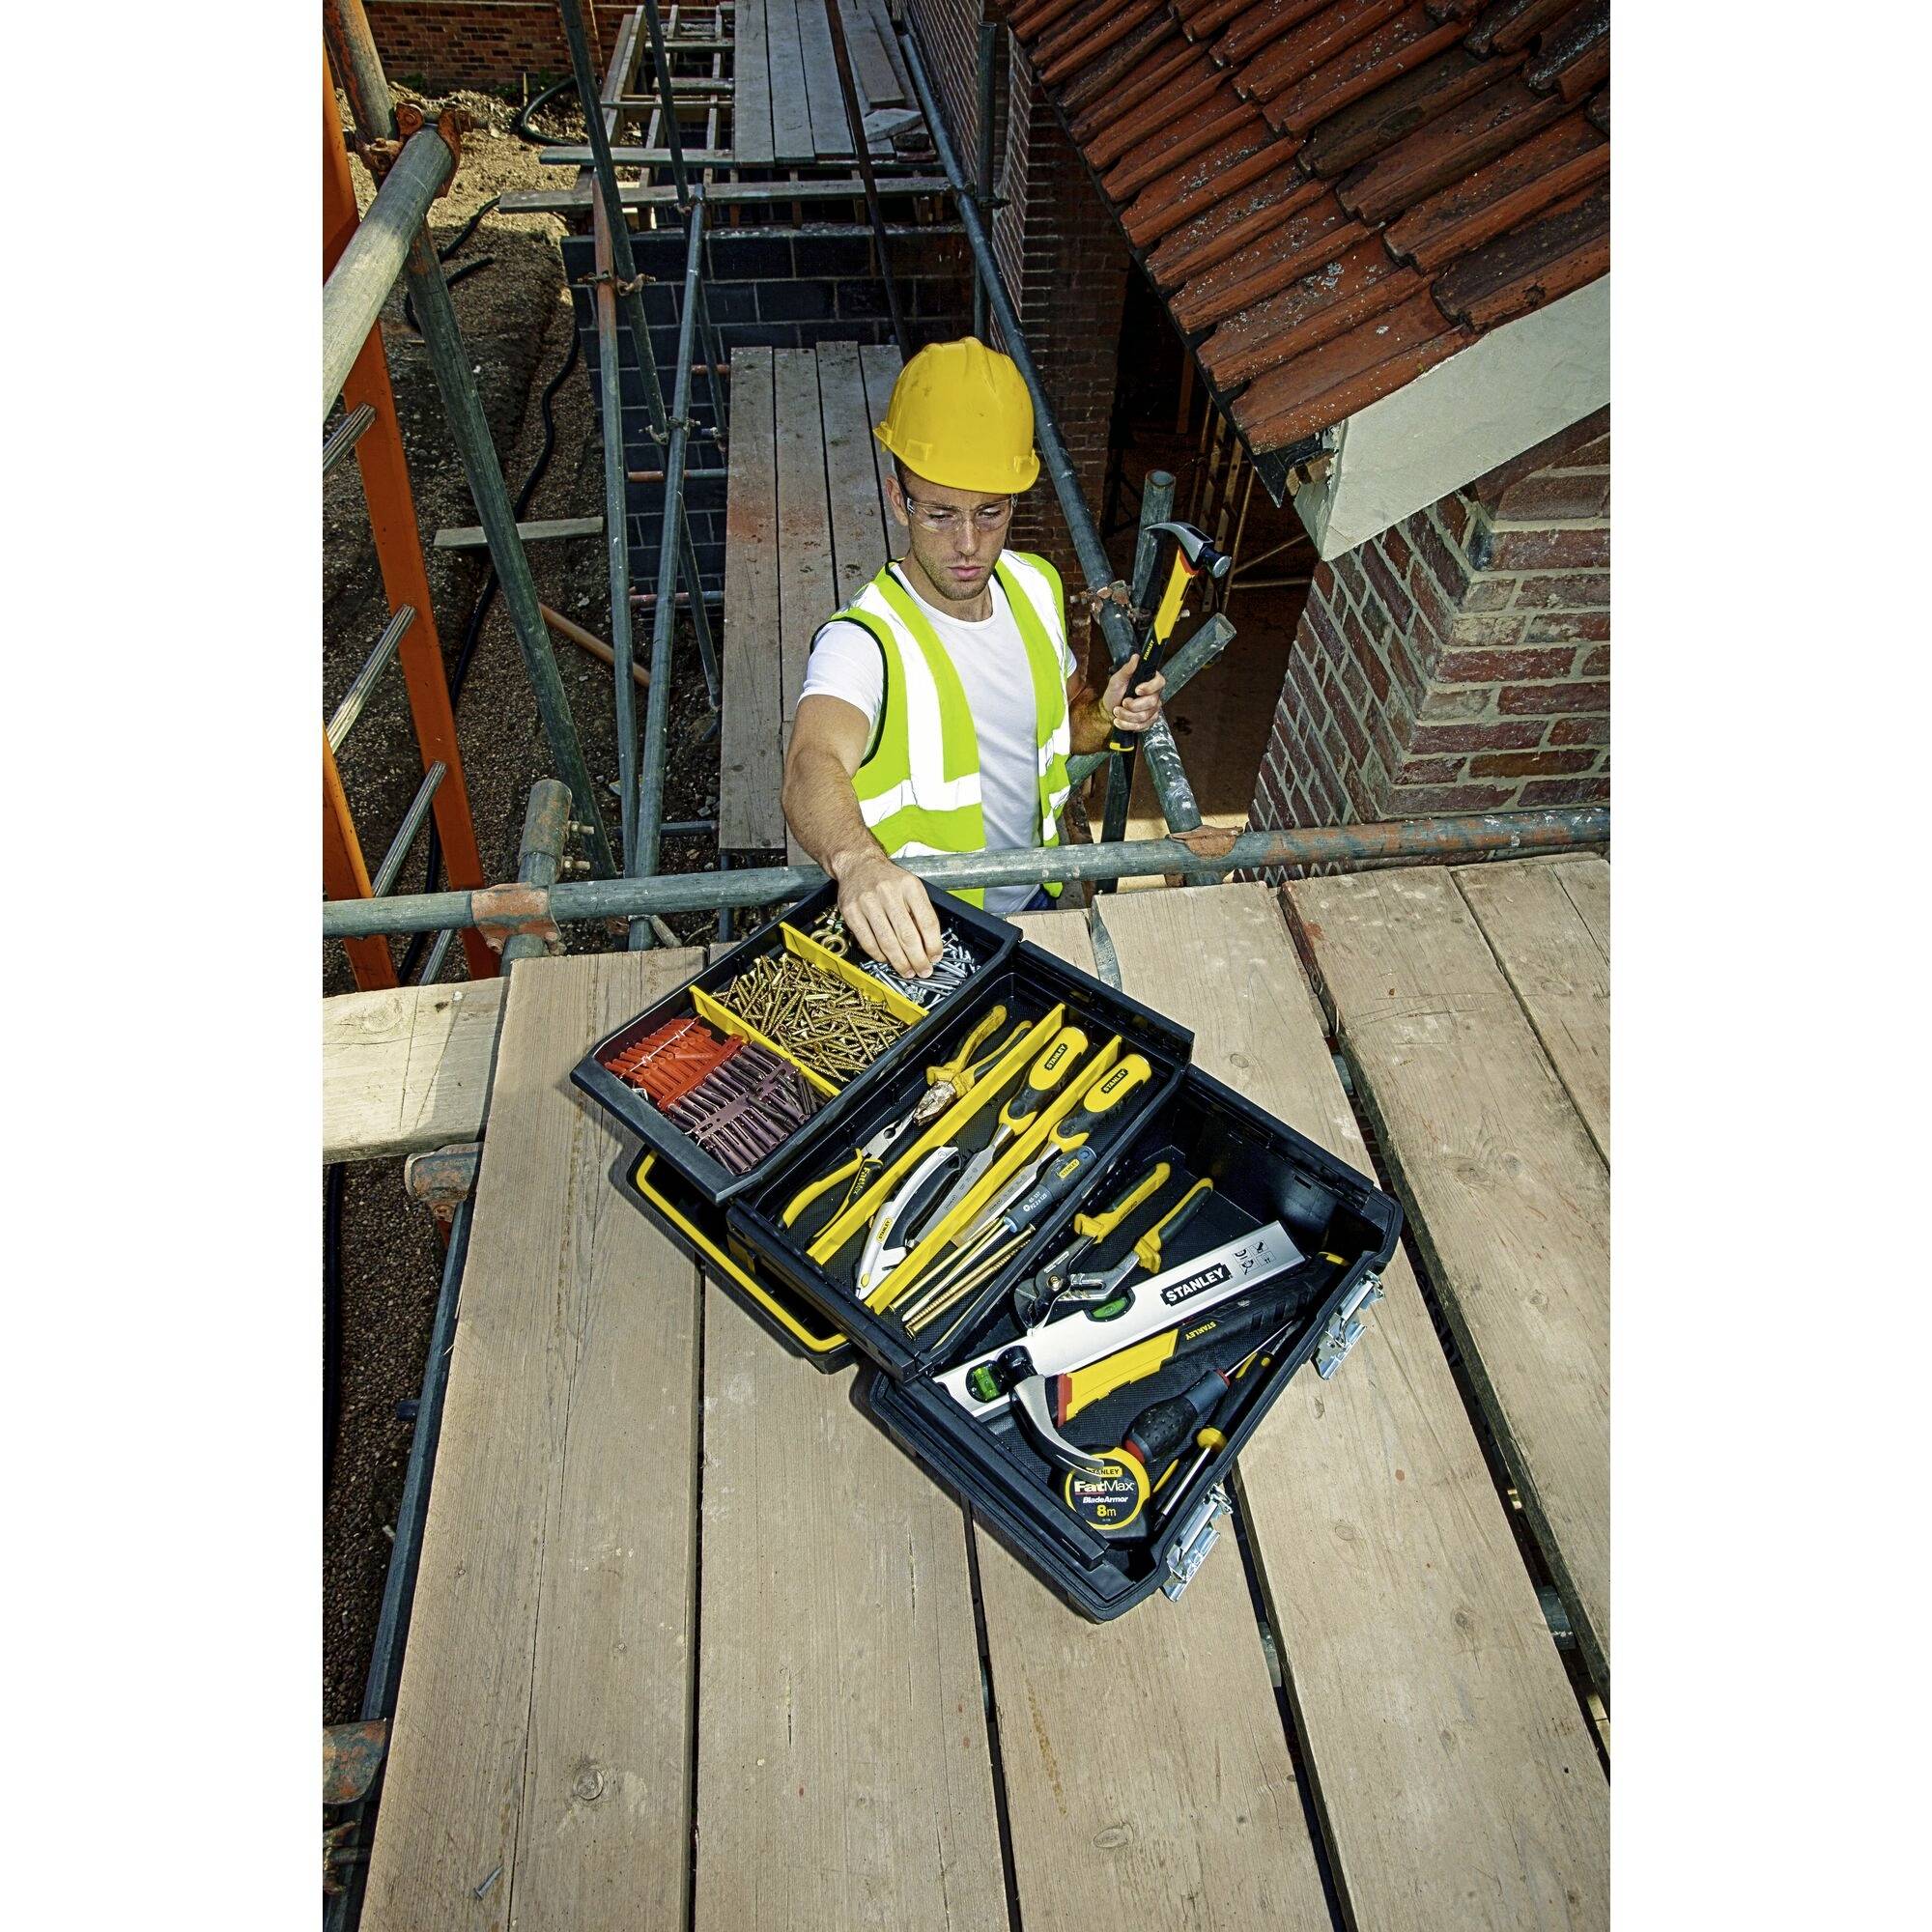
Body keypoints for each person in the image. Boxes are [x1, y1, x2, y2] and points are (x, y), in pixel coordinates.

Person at [781, 337, 1165, 978]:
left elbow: (1067, 726)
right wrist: (857, 862)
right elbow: (809, 764)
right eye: (938, 514)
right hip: (925, 935)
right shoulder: (865, 641)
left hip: (1037, 895)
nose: (967, 544)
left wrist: (1107, 713)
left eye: (989, 513)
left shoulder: (1035, 586)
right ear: (897, 498)